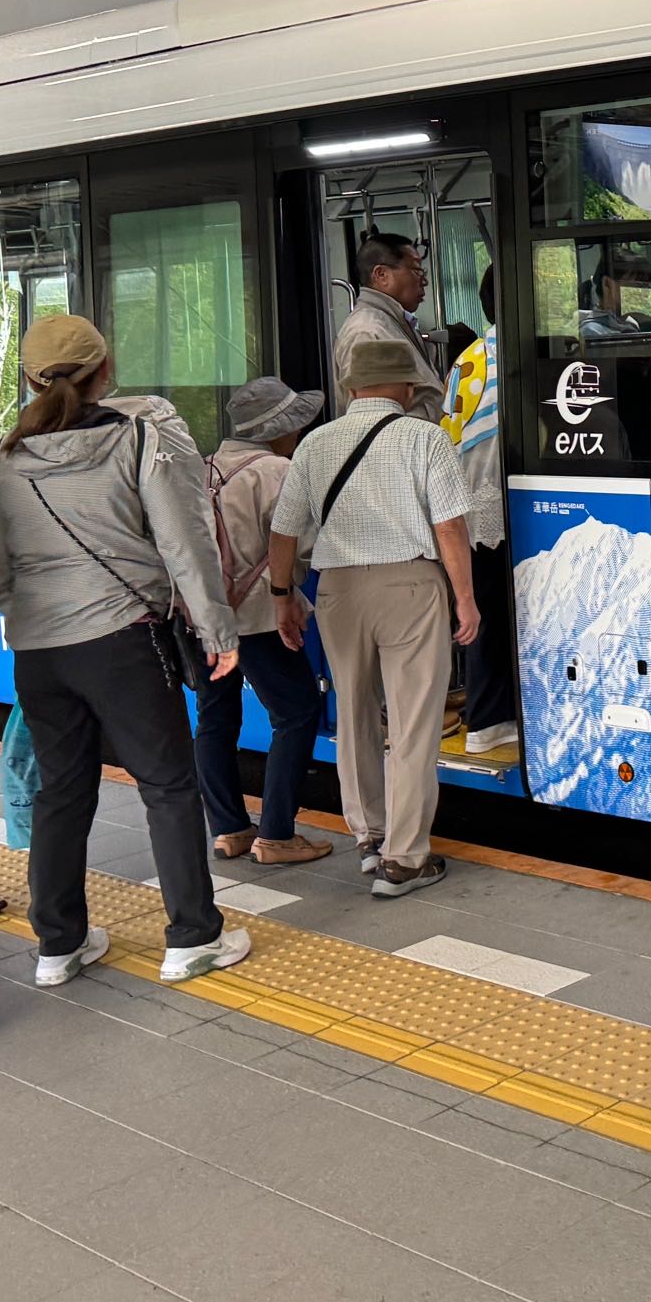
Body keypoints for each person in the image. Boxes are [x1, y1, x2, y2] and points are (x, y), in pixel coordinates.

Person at [0, 316, 250, 987]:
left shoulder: (6, 457)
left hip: (40, 651)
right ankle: (193, 937)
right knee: (167, 785)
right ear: (106, 370)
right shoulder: (136, 438)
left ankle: (58, 946)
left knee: (61, 791)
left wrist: (30, 625)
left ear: (29, 380)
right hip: (122, 638)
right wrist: (217, 631)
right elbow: (184, 542)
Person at [267, 339, 479, 899]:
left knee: (355, 713)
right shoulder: (425, 437)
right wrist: (465, 597)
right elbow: (450, 526)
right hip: (410, 585)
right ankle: (404, 859)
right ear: (407, 387)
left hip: (338, 590)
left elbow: (284, 530)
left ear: (351, 388)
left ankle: (371, 837)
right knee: (412, 723)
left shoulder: (315, 443)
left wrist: (282, 596)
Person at [196, 377, 331, 865]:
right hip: (257, 617)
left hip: (202, 617)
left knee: (215, 717)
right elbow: (302, 544)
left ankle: (229, 829)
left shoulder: (203, 467)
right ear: (280, 429)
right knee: (296, 712)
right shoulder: (277, 471)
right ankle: (275, 834)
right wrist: (287, 593)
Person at [441, 274, 515, 755]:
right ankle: (490, 721)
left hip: (467, 500)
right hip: (497, 503)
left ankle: (489, 716)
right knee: (494, 618)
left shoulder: (469, 358)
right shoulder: (512, 356)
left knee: (486, 612)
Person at [331, 234, 447, 421]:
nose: (424, 281)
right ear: (381, 275)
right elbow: (370, 420)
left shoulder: (394, 323)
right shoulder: (367, 331)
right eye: (417, 271)